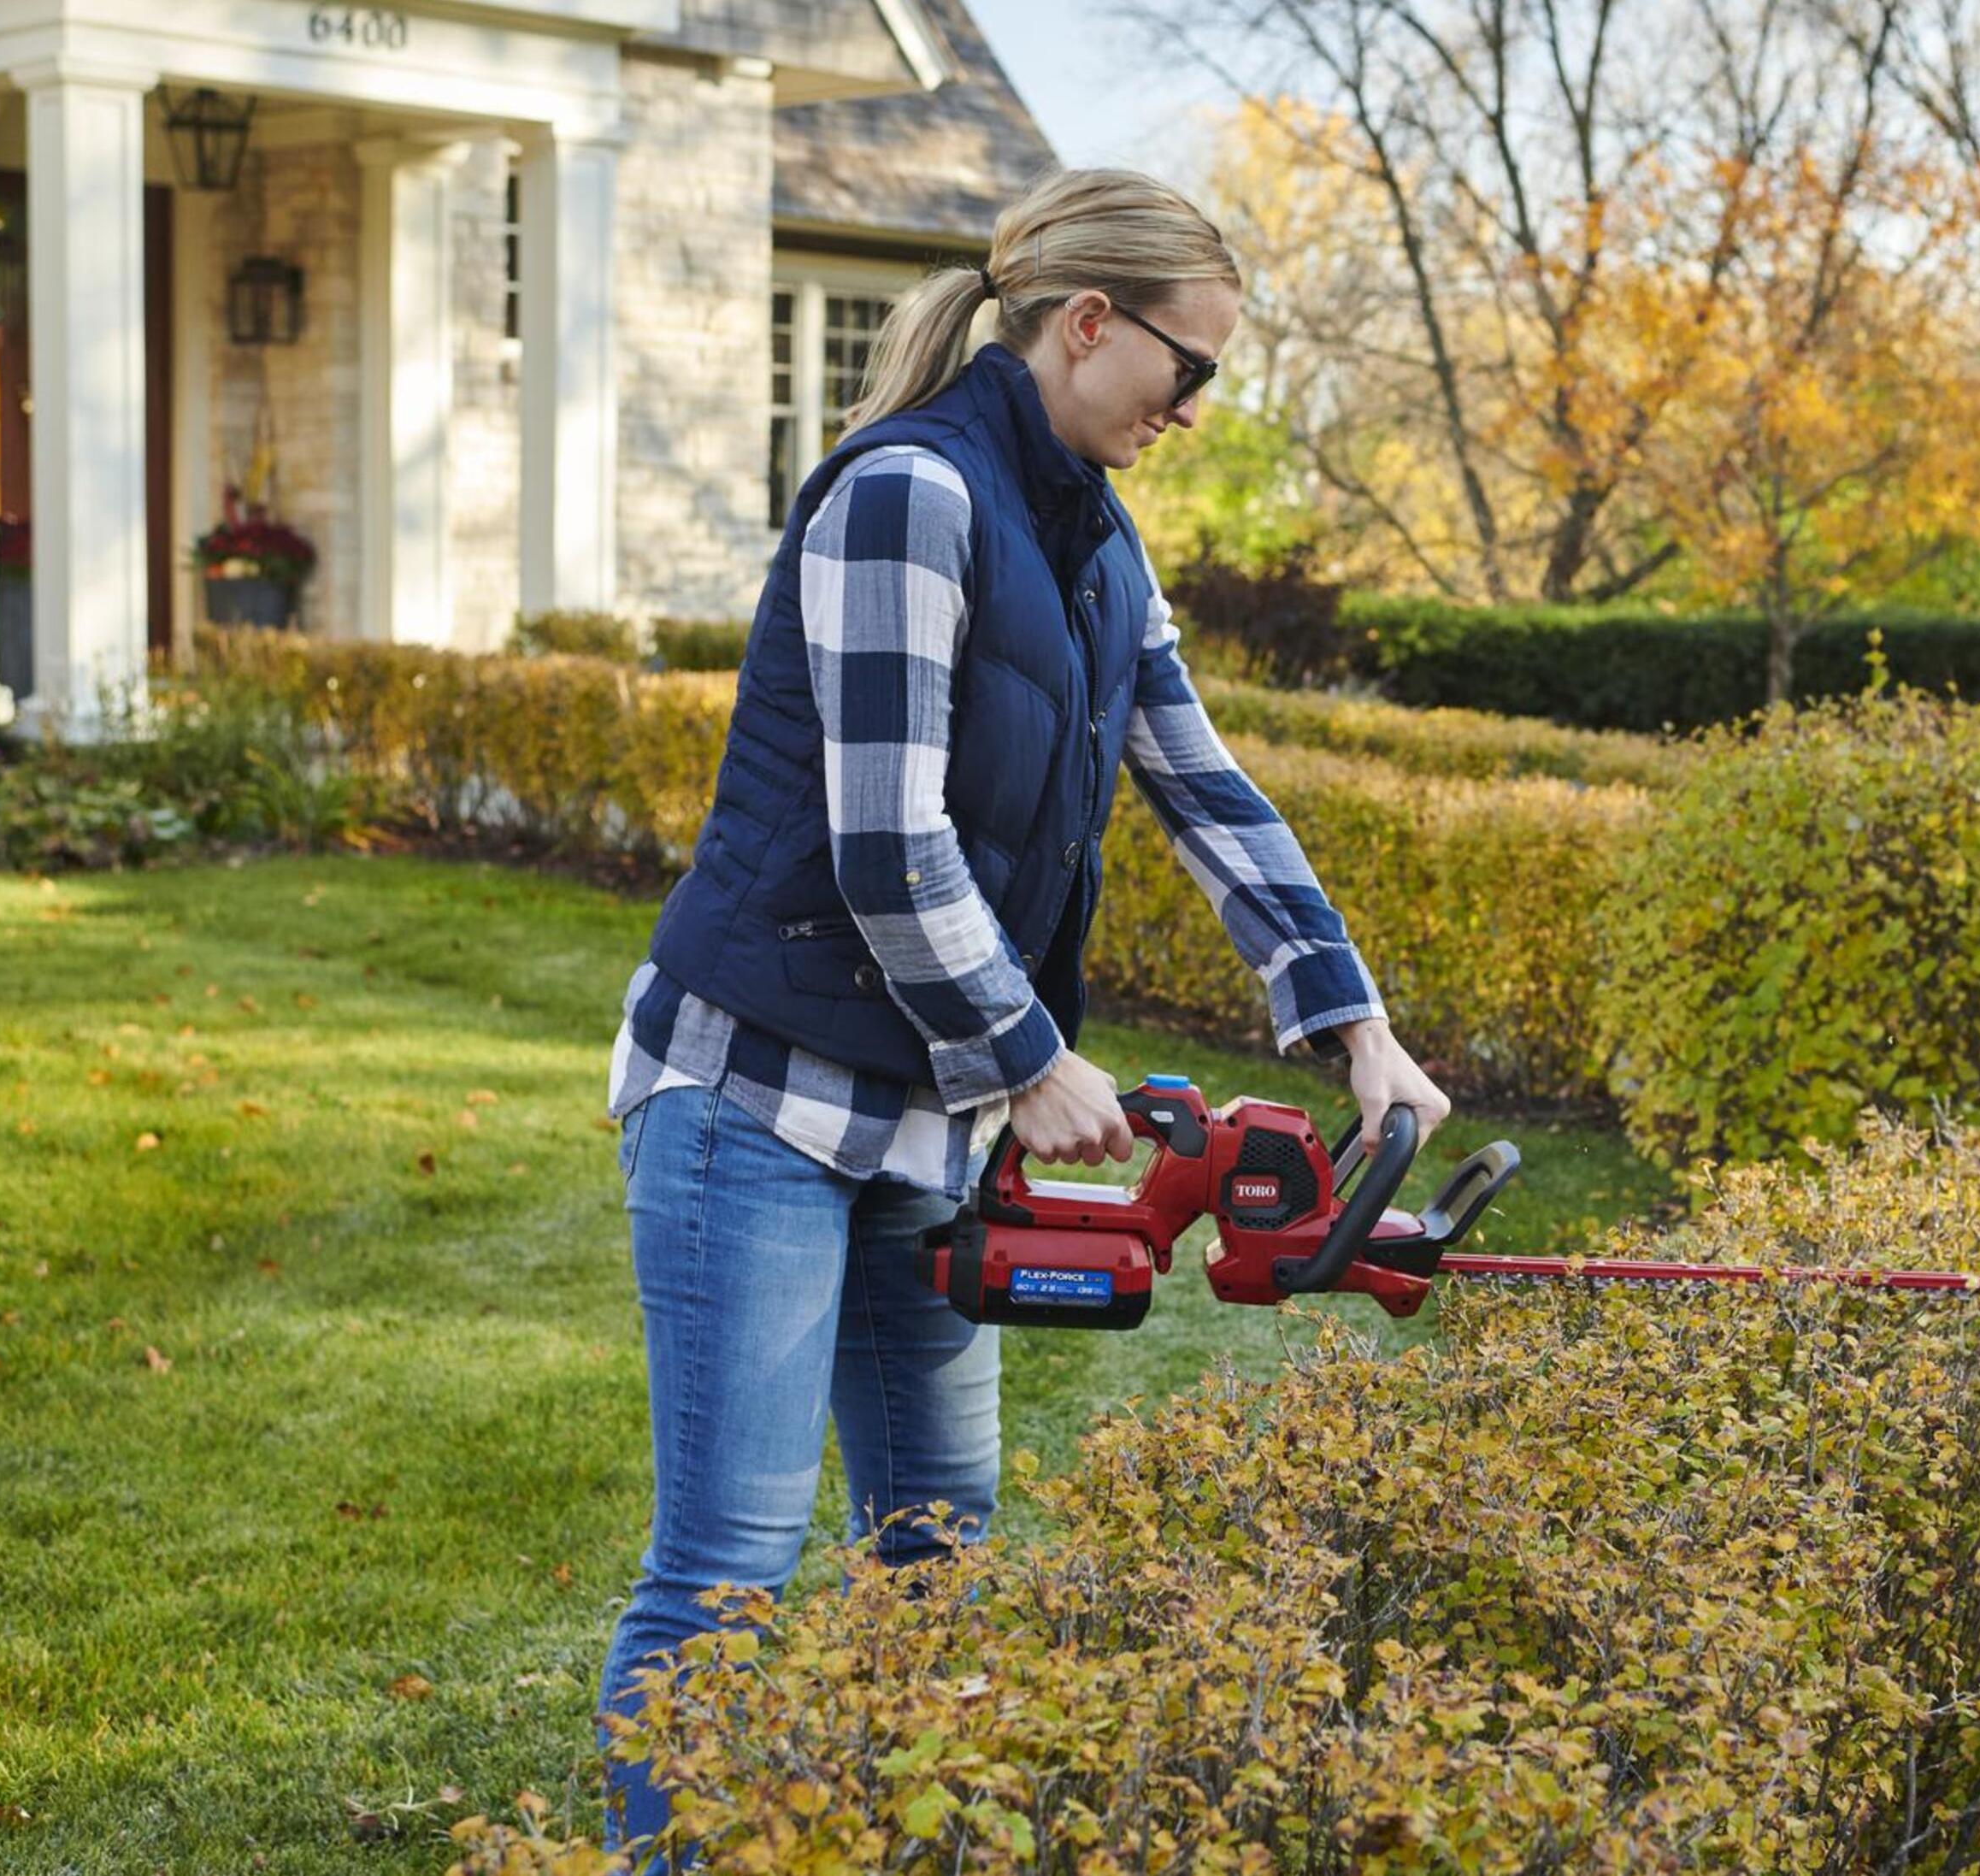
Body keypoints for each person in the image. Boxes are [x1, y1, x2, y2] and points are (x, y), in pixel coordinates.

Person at [591, 167, 1452, 1856]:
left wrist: (1352, 1021)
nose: (1192, 410)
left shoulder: (1098, 547)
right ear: (1084, 325)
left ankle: (894, 1837)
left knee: (939, 1528)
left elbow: (1203, 785)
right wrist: (1030, 1052)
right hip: (754, 1099)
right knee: (729, 1565)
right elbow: (884, 830)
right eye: (1184, 370)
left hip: (918, 1120)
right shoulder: (911, 492)